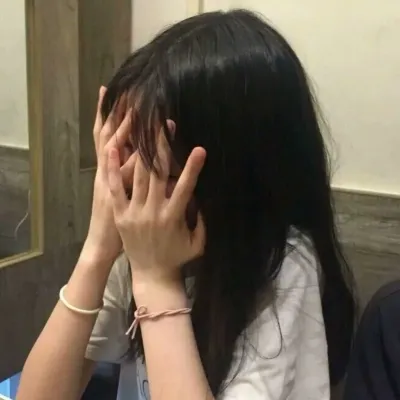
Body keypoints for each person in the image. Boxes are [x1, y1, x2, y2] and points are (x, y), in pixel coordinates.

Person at [16, 9, 355, 400]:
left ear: (229, 174)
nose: (128, 176)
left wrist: (157, 281)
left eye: (155, 162)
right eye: (125, 149)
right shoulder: (138, 243)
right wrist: (97, 249)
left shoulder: (286, 264)